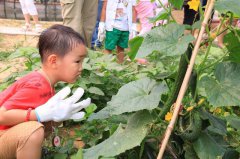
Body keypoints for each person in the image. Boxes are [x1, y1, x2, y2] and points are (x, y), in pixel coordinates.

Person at [0, 24, 91, 159]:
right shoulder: (36, 85)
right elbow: (2, 116)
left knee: (44, 124)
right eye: (77, 61)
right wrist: (37, 114)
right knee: (32, 132)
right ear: (53, 61)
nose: (81, 68)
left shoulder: (46, 84)